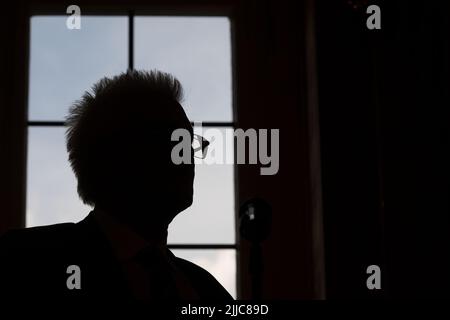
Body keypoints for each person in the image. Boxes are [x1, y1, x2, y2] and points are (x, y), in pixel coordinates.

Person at [0, 70, 233, 302]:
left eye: (189, 142)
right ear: (115, 154)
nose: (188, 156)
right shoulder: (22, 261)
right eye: (175, 140)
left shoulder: (206, 289)